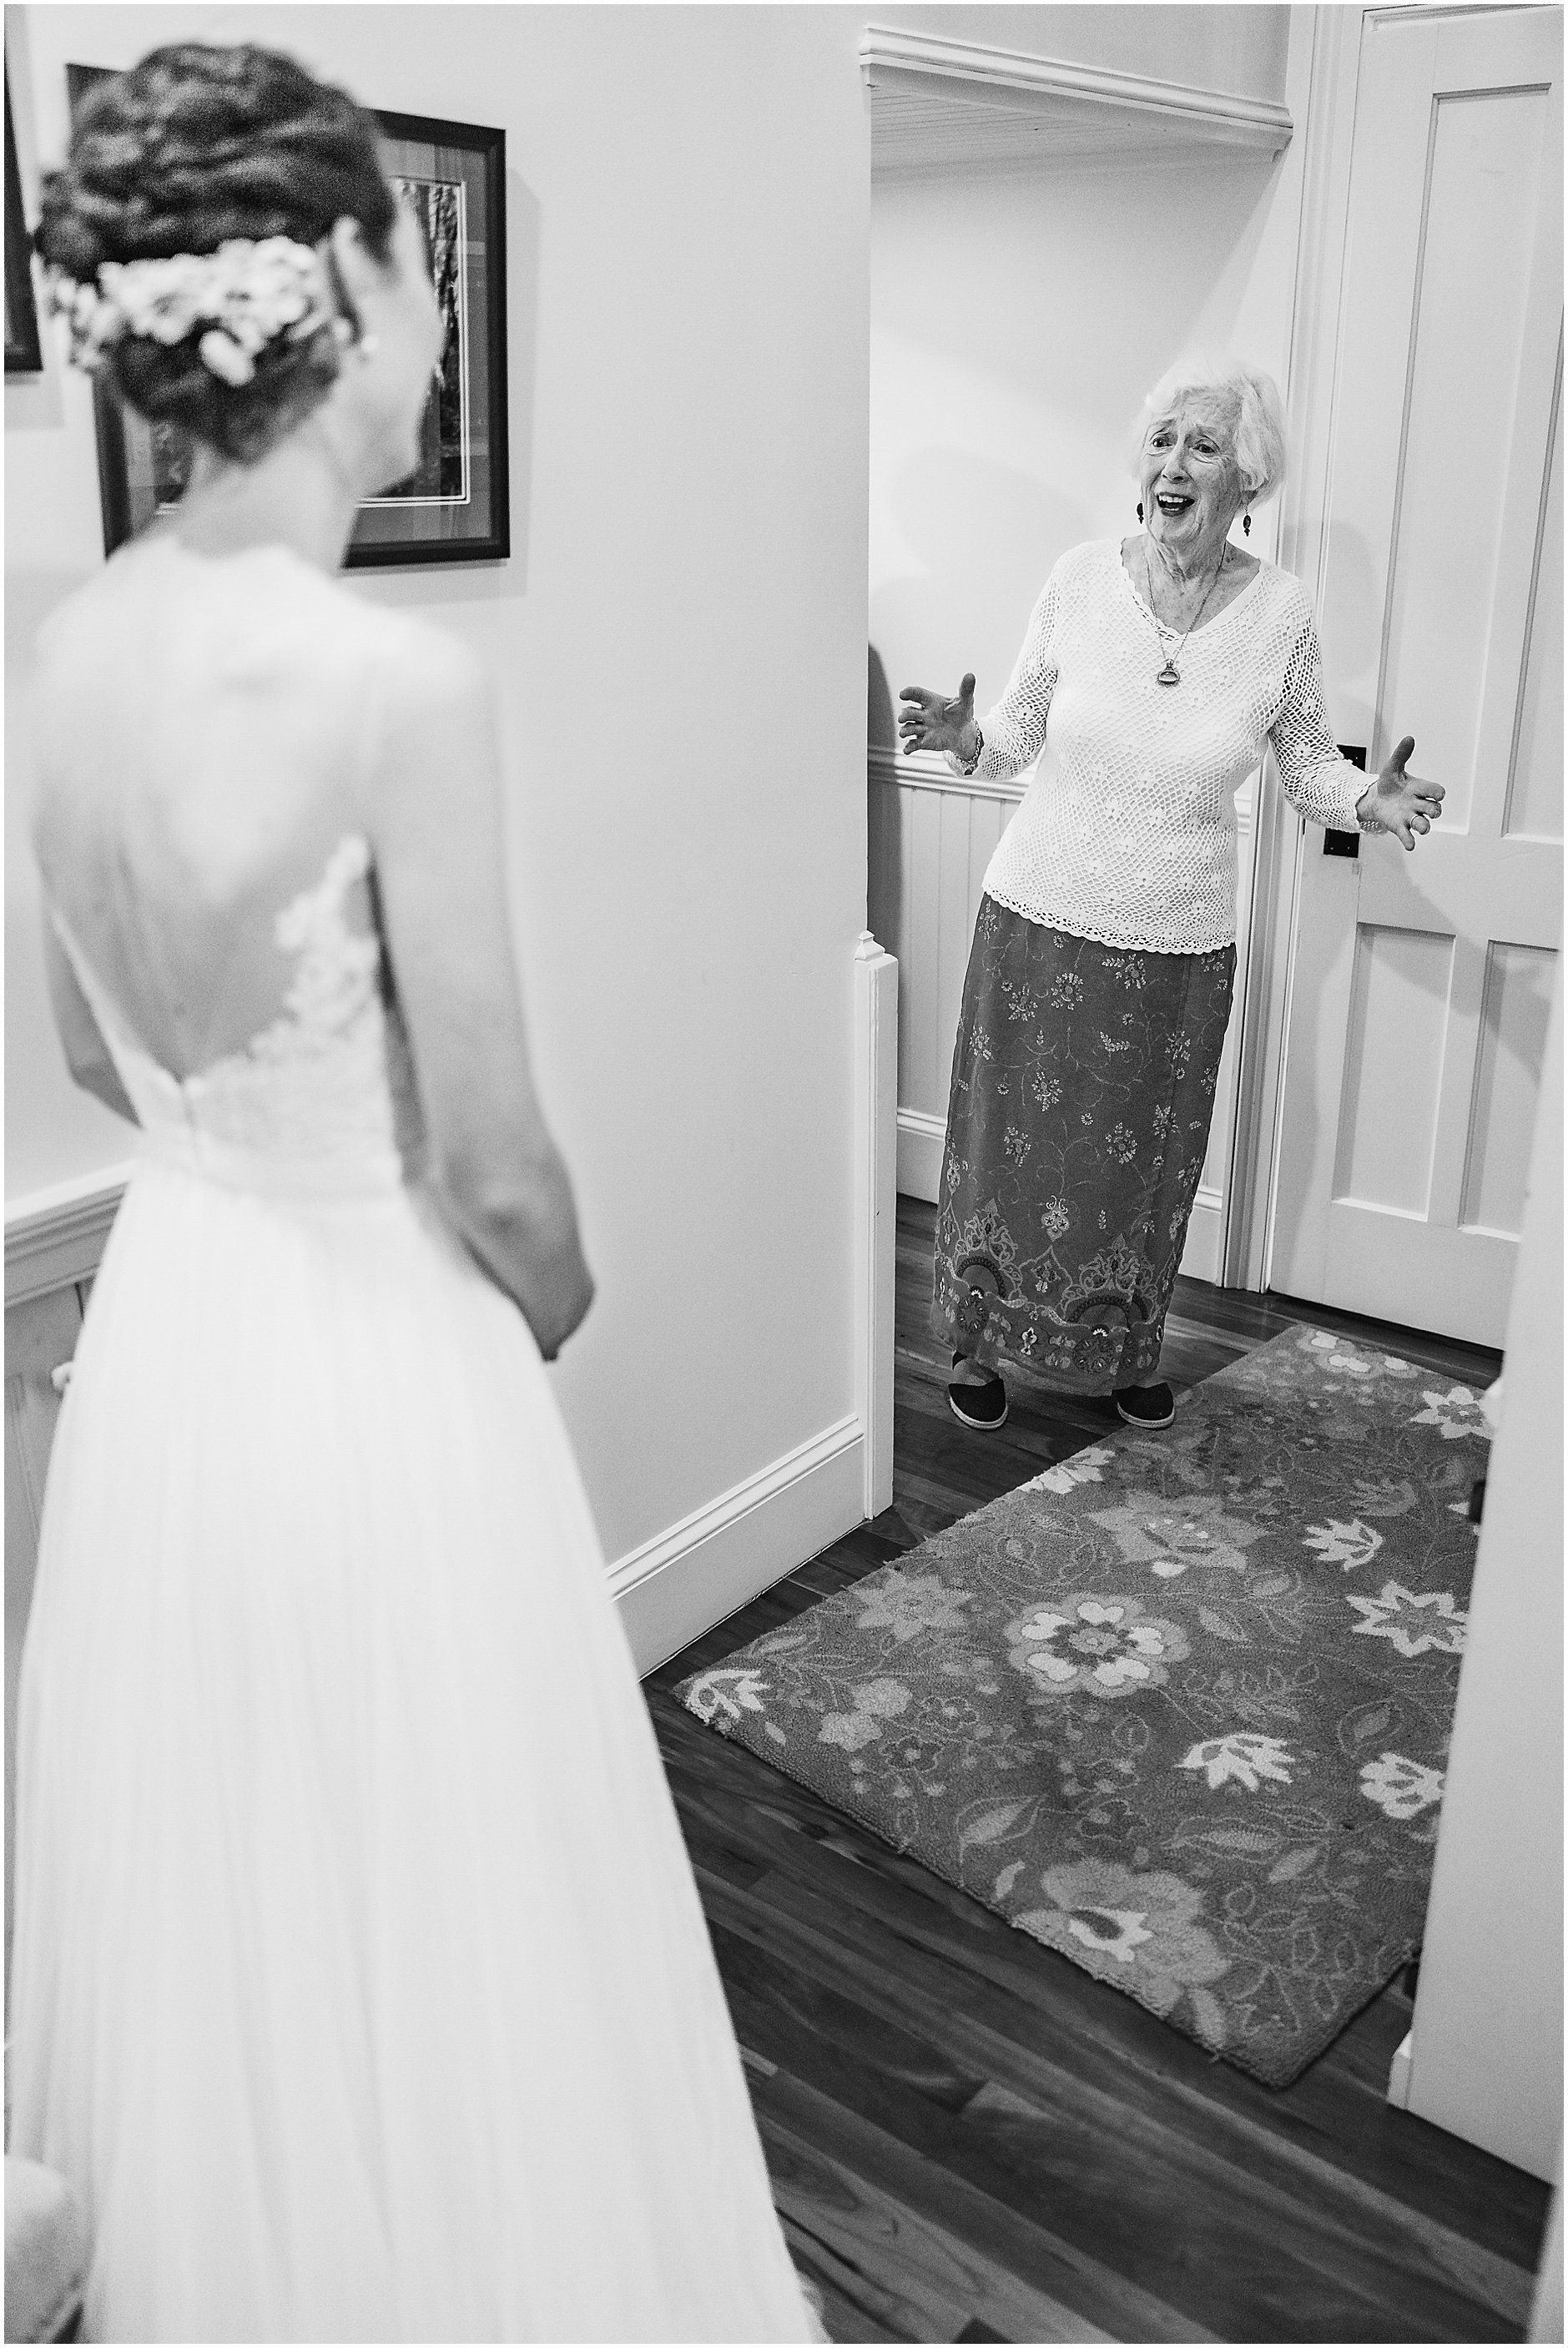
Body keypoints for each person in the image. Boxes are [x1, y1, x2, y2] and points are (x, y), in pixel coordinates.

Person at [11, 44, 821, 2343]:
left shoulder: (65, 651)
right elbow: (497, 1163)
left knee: (237, 1889)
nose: (441, 320)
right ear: (351, 289)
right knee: (460, 1898)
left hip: (169, 1328)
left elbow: (88, 1050)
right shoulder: (389, 684)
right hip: (370, 1338)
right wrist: (536, 1312)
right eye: (422, 269)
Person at [898, 356, 1443, 1436]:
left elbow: (1304, 762)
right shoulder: (1078, 580)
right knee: (1007, 1150)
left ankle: (1120, 1352)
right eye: (1161, 442)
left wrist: (1367, 798)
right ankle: (978, 1343)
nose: (1173, 465)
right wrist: (966, 739)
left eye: (1203, 445)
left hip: (1177, 948)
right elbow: (1014, 731)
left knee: (1141, 1167)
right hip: (1037, 921)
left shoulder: (1281, 614)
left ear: (1248, 480)